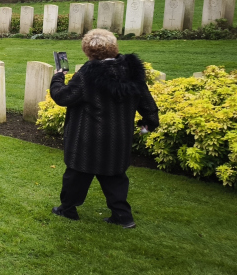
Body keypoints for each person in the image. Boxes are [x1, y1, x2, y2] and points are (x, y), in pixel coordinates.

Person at [49, 28, 159, 228]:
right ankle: (123, 217)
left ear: (88, 52)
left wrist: (57, 78)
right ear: (114, 47)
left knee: (76, 176)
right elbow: (147, 103)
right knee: (115, 177)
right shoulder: (132, 71)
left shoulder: (87, 74)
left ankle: (67, 209)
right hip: (119, 136)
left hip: (88, 137)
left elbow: (63, 97)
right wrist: (148, 123)